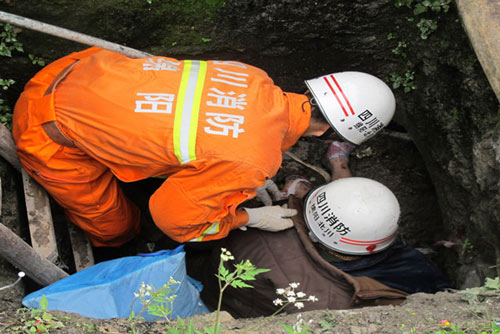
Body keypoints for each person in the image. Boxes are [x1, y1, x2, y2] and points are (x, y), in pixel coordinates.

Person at [12, 46, 396, 247]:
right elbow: (172, 220)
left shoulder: (251, 76)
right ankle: (120, 243)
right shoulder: (250, 161)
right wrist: (248, 218)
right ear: (326, 132)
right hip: (46, 129)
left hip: (74, 71)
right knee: (117, 227)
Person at [197, 141, 449, 318]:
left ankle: (333, 168)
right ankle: (338, 163)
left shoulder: (253, 226)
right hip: (246, 308)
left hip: (216, 292)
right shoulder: (333, 305)